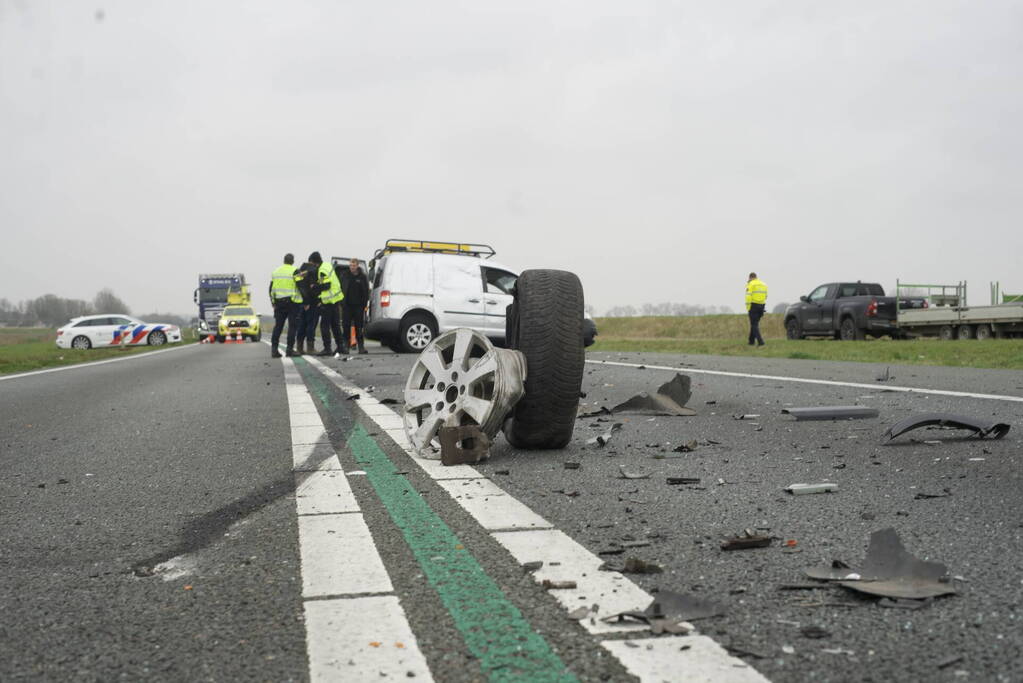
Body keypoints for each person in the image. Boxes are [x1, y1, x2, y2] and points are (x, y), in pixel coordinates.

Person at [309, 251, 346, 356]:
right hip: (335, 299)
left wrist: (314, 286)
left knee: (324, 326)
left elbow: (326, 285)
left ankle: (327, 348)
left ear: (314, 262)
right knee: (335, 325)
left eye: (311, 263)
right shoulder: (327, 265)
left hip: (328, 301)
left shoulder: (321, 270)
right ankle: (341, 346)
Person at [269, 253, 303, 358]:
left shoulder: (275, 272)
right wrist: (306, 301)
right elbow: (301, 286)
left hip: (278, 303)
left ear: (284, 261)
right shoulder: (295, 270)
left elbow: (271, 289)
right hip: (292, 302)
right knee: (292, 326)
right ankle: (289, 350)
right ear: (292, 261)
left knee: (278, 326)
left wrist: (273, 302)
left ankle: (274, 350)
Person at [340, 258, 370, 354]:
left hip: (358, 306)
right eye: (350, 265)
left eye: (354, 265)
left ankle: (361, 347)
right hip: (347, 306)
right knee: (346, 326)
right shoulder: (344, 275)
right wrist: (341, 303)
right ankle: (346, 346)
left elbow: (366, 291)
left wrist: (364, 304)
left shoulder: (362, 277)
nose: (352, 267)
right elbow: (340, 289)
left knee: (359, 327)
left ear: (357, 266)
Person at [294, 258, 319, 355]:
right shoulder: (312, 271)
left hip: (300, 302)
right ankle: (310, 348)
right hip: (310, 302)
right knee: (310, 325)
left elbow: (300, 286)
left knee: (302, 324)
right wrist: (307, 302)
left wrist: (303, 302)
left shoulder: (300, 271)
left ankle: (299, 348)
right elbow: (307, 288)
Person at [745, 272, 768, 347]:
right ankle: (751, 341)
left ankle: (760, 342)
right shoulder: (763, 284)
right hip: (761, 306)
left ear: (750, 277)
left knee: (754, 325)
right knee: (754, 324)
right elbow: (766, 296)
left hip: (753, 306)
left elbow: (748, 296)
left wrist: (748, 307)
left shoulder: (751, 284)